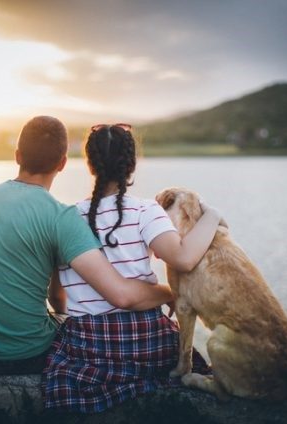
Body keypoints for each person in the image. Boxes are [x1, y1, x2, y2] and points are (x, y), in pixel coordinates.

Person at [0, 116, 173, 375]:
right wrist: (171, 292)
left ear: (17, 156)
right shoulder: (61, 218)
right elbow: (120, 295)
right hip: (24, 356)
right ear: (63, 163)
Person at [42, 123, 222, 413]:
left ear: (90, 165)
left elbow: (57, 297)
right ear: (132, 165)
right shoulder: (145, 211)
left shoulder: (68, 217)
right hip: (145, 339)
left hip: (88, 344)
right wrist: (212, 217)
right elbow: (185, 259)